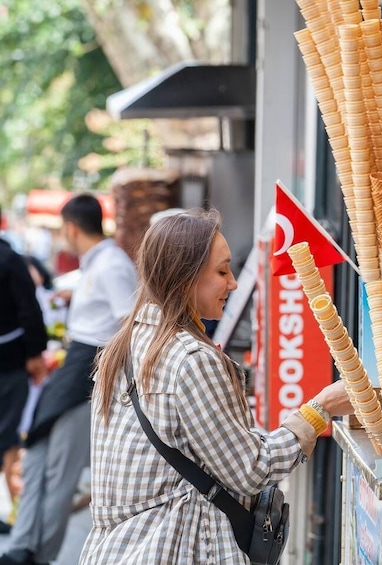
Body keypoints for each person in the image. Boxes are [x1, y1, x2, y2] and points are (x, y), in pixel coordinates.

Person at [79, 208, 353, 564]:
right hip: (173, 550)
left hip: (114, 550)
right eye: (222, 271)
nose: (234, 283)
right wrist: (321, 409)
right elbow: (252, 470)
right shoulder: (190, 359)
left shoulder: (125, 345)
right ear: (185, 277)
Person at [0, 193, 138, 565]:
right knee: (37, 460)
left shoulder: (110, 265)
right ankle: (21, 547)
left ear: (72, 228)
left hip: (88, 372)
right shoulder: (99, 264)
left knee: (60, 470)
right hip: (77, 366)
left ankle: (37, 555)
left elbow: (131, 327)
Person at [0, 235, 48, 534]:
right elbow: (28, 307)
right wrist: (34, 352)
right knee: (8, 436)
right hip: (10, 361)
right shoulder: (8, 258)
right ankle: (16, 512)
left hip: (11, 359)